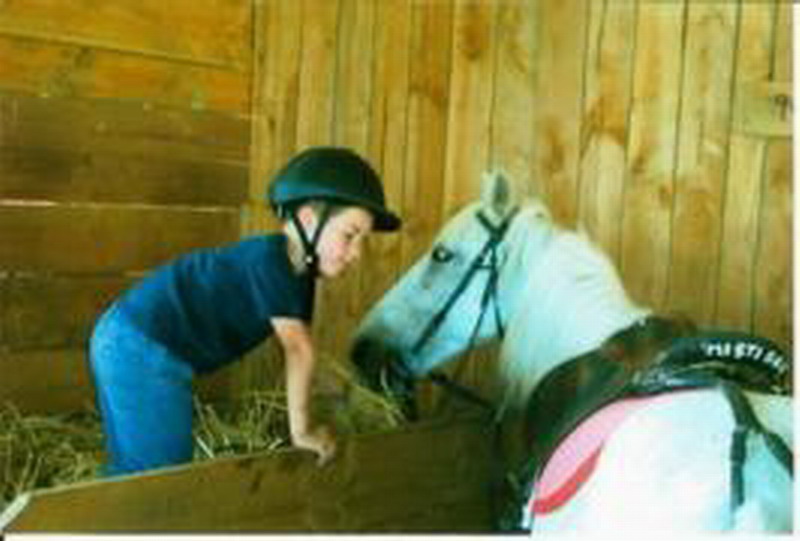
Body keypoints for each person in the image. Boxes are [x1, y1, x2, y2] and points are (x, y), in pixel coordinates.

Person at [88, 146, 401, 475]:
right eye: (350, 235)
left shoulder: (297, 276)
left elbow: (301, 353)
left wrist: (336, 398)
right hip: (142, 347)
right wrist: (302, 432)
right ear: (308, 220)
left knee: (132, 470)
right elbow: (299, 349)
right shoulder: (273, 261)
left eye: (362, 240)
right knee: (159, 478)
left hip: (129, 339)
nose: (356, 253)